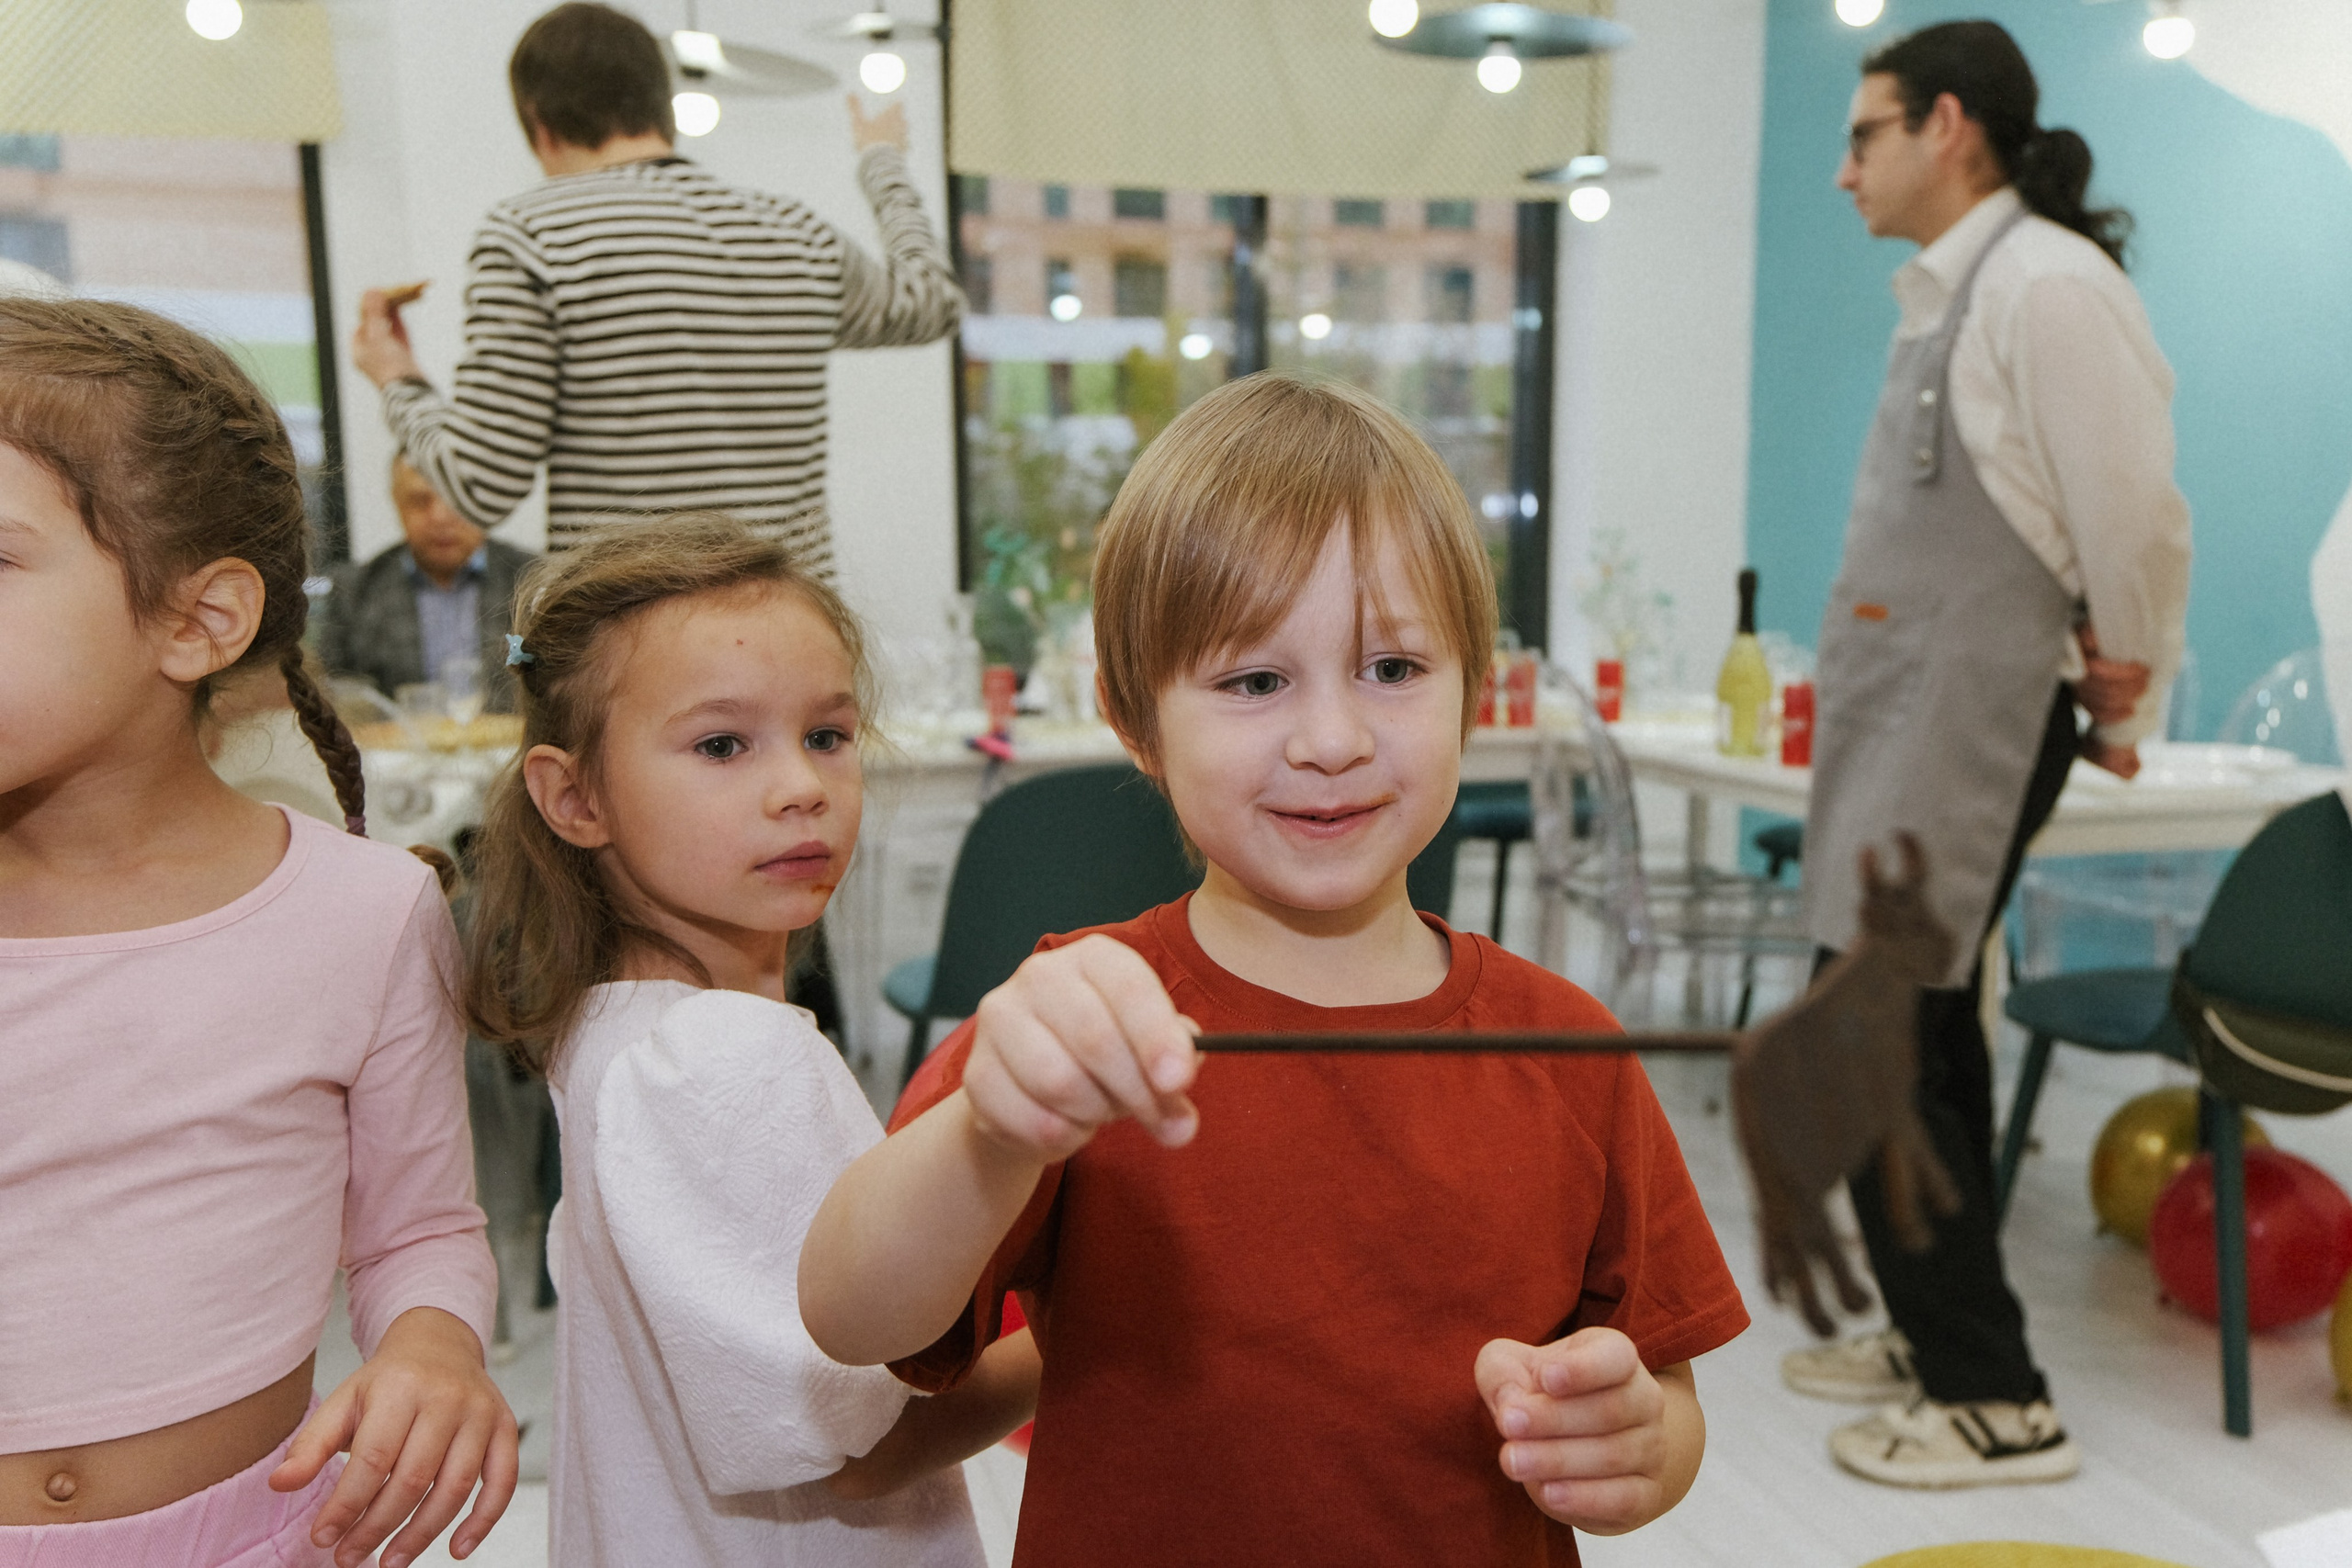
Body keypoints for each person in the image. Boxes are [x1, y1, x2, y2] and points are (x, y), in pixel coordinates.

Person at [798, 373, 1749, 1565]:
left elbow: (1667, 1395)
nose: (1332, 739)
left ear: (1475, 689)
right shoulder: (1078, 1022)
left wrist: (1635, 1445)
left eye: (1392, 668)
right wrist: (991, 1135)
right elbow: (852, 1315)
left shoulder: (1569, 1049)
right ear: (1135, 721)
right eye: (1255, 681)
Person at [0, 298, 514, 1568]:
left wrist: (433, 1344)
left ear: (198, 621)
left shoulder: (365, 914)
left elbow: (418, 1229)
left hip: (264, 1536)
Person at [458, 514, 1033, 1564]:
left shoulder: (619, 1030)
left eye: (827, 735)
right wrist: (1069, 1341)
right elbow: (859, 1449)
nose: (803, 786)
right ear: (574, 798)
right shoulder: (725, 1061)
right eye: (722, 746)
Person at [1787, 20, 2192, 1488]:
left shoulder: (2048, 287)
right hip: (1906, 714)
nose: (1844, 172)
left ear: (1946, 125)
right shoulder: (1955, 292)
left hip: (1969, 717)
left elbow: (2132, 521)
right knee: (1921, 1031)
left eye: (1864, 137)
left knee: (1866, 1033)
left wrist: (2126, 699)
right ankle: (1937, 1333)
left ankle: (1995, 1400)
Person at [348, 2, 961, 574]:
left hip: (633, 629)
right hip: (789, 621)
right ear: (662, 108)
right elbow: (934, 302)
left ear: (539, 123)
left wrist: (396, 375)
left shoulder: (531, 234)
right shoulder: (794, 230)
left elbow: (481, 485)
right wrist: (881, 159)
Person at [316, 455, 536, 712]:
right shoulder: (354, 590)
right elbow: (334, 692)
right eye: (420, 501)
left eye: (457, 500)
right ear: (397, 503)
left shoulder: (533, 581)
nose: (440, 517)